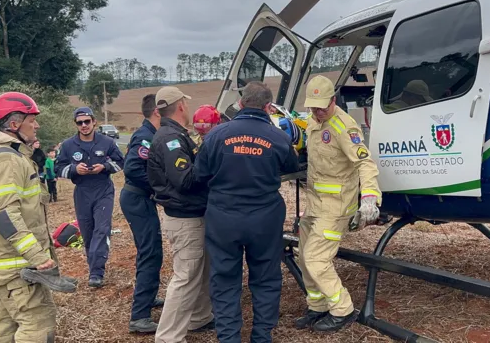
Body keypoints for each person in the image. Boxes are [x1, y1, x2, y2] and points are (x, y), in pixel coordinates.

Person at [195, 82, 299, 343]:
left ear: (240, 104)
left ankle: (229, 338)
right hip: (264, 217)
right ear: (268, 107)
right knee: (265, 278)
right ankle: (262, 336)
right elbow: (291, 166)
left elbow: (199, 174)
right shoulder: (279, 137)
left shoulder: (216, 136)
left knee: (225, 279)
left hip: (224, 217)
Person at [0, 92, 76, 342]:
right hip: (15, 265)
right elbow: (4, 215)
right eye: (32, 120)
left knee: (2, 323)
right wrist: (35, 254)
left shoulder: (8, 156)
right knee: (37, 322)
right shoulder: (7, 162)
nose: (37, 125)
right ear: (14, 124)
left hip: (4, 263)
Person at [294, 75, 382, 332]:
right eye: (313, 107)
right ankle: (317, 305)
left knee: (316, 259)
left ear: (333, 100)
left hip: (336, 208)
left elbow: (364, 163)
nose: (318, 112)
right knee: (303, 257)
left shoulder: (345, 127)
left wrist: (369, 197)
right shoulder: (312, 122)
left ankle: (342, 310)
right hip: (314, 206)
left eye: (322, 106)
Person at [146, 86, 215, 343]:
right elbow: (185, 180)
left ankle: (199, 317)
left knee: (200, 270)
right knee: (186, 277)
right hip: (185, 218)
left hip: (190, 214)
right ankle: (168, 337)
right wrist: (208, 166)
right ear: (181, 106)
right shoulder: (170, 139)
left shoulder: (171, 134)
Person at [55, 106, 125, 288]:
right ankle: (93, 264)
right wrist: (73, 169)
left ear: (94, 122)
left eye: (87, 121)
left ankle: (96, 273)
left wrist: (105, 167)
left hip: (103, 190)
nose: (84, 125)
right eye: (80, 123)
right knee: (87, 232)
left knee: (102, 229)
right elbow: (57, 168)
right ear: (76, 125)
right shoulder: (68, 145)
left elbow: (121, 162)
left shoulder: (107, 142)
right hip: (82, 192)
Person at [120, 94, 166, 333]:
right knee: (150, 253)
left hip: (140, 198)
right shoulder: (145, 136)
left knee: (150, 251)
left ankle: (147, 299)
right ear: (157, 111)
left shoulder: (150, 133)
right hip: (137, 198)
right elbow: (133, 168)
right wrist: (162, 186)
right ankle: (140, 316)